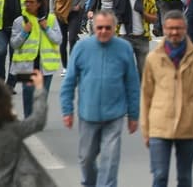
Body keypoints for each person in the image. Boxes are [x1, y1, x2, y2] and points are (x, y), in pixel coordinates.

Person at [60, 10, 141, 187]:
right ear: (93, 28)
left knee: (110, 161)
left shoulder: (124, 48)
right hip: (88, 115)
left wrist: (134, 115)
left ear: (114, 28)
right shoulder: (82, 48)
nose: (103, 31)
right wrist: (67, 110)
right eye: (99, 28)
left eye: (107, 28)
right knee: (86, 159)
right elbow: (69, 82)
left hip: (114, 116)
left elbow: (132, 84)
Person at [140, 10, 193, 187]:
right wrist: (146, 129)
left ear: (185, 29)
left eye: (179, 28)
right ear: (164, 29)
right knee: (159, 176)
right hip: (159, 127)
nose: (174, 32)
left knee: (184, 178)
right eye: (171, 28)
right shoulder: (153, 58)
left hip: (187, 125)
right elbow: (146, 95)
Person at [11, 0, 61, 117]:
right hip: (26, 64)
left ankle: (38, 118)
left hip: (45, 65)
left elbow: (58, 39)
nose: (28, 4)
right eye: (26, 2)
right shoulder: (20, 21)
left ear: (39, 4)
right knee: (28, 93)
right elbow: (14, 44)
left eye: (31, 2)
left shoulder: (50, 19)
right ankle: (29, 118)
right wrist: (24, 32)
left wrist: (46, 28)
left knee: (42, 95)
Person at [113, 0, 158, 76]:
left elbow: (154, 18)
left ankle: (143, 92)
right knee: (124, 72)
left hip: (141, 38)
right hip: (124, 38)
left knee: (144, 72)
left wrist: (143, 13)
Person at [51, 0, 87, 75]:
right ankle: (65, 67)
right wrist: (52, 12)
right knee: (62, 40)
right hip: (60, 13)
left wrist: (79, 5)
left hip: (74, 13)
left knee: (72, 39)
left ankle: (73, 65)